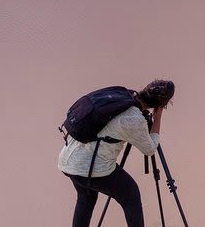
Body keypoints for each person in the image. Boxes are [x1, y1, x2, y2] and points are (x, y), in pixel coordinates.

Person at [58, 79, 175, 227]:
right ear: (160, 104)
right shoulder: (134, 118)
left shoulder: (123, 96)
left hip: (69, 160)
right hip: (89, 167)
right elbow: (150, 149)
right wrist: (157, 117)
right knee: (131, 194)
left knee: (86, 197)